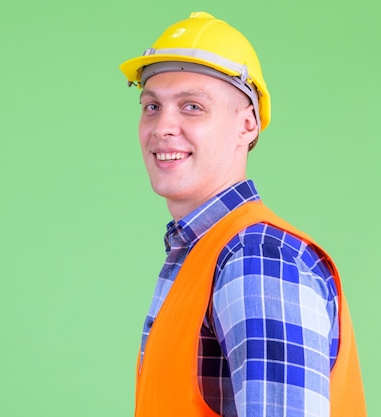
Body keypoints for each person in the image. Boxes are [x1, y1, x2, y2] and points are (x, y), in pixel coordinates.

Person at [119, 11, 366, 417]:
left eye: (192, 106)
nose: (163, 126)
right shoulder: (202, 254)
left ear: (247, 125)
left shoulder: (257, 258)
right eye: (151, 106)